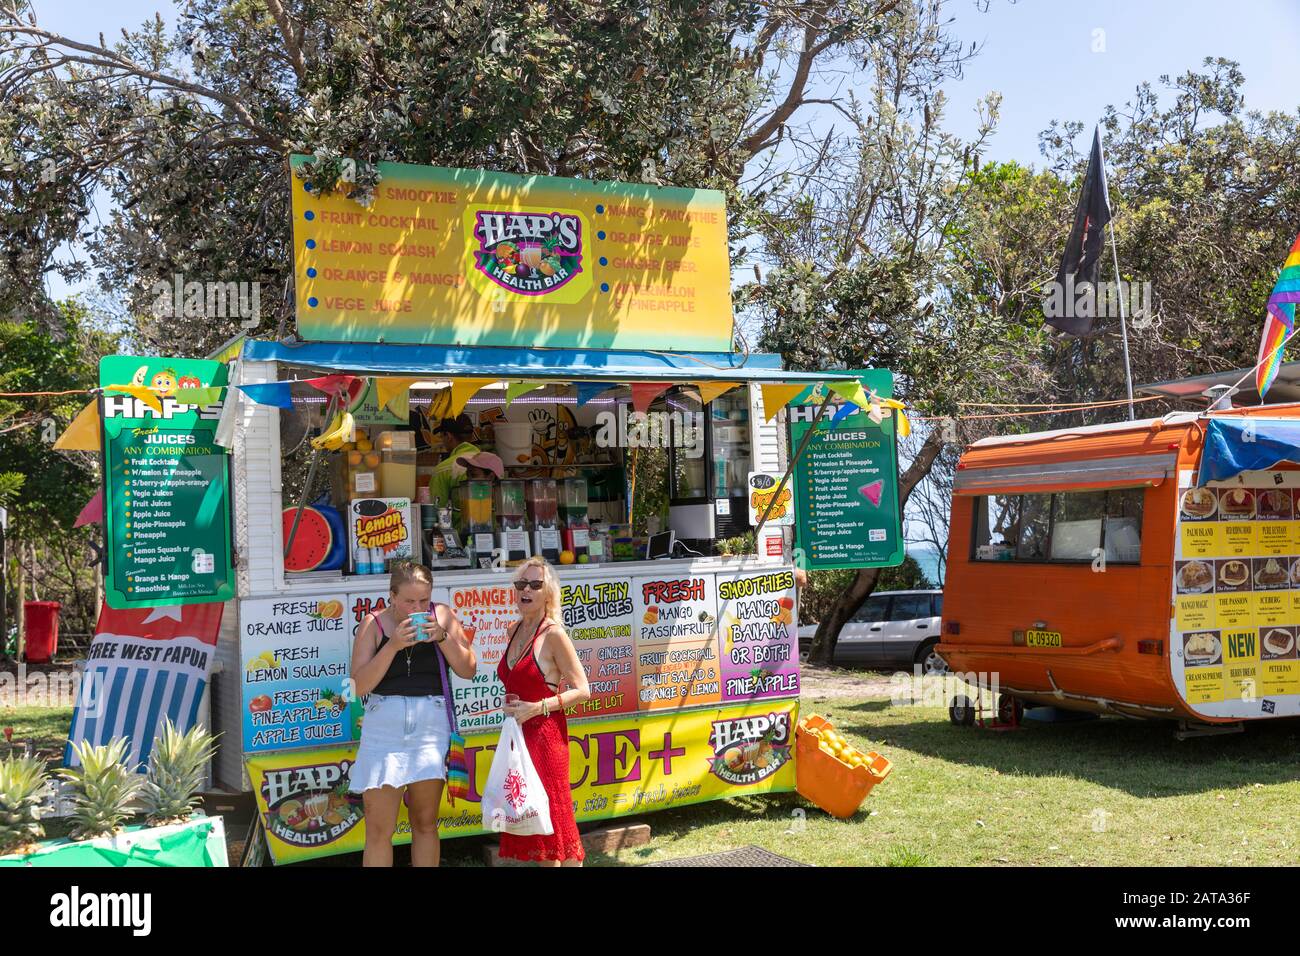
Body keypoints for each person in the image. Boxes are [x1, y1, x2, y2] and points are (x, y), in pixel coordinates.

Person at [348, 561, 476, 866]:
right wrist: (392, 647)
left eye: (424, 600)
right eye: (409, 601)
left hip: (430, 726)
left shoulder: (442, 615)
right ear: (392, 596)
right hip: (384, 727)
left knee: (426, 822)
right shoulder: (373, 623)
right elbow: (355, 686)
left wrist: (442, 638)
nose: (418, 607)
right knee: (379, 829)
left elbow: (468, 669)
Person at [498, 556, 590, 865]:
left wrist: (538, 707)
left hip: (546, 738)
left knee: (552, 829)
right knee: (532, 825)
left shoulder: (553, 635)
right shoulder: (513, 630)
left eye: (535, 585)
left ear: (547, 593)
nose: (526, 590)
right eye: (521, 584)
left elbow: (583, 689)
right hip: (518, 736)